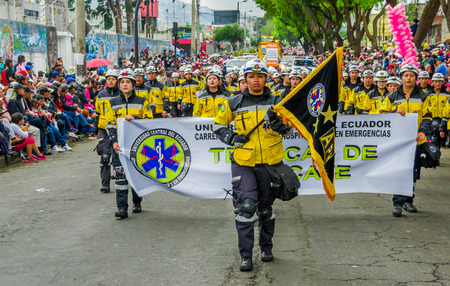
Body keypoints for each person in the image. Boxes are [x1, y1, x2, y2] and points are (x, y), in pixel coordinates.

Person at [213, 59, 292, 271]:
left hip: (270, 163)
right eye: (251, 76)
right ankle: (246, 255)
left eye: (259, 76)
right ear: (244, 79)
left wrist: (280, 125)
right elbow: (218, 125)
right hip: (243, 162)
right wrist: (231, 138)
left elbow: (289, 128)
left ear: (265, 78)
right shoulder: (234, 101)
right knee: (247, 208)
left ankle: (266, 247)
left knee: (265, 210)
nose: (255, 80)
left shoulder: (278, 100)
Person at [379, 64, 432, 217]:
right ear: (401, 77)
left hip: (415, 141)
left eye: (412, 75)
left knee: (412, 171)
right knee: (399, 170)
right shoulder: (392, 96)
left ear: (416, 78)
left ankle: (409, 200)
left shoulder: (424, 96)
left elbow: (428, 117)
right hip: (397, 141)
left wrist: (423, 131)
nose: (409, 78)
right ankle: (397, 203)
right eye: (406, 75)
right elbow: (381, 115)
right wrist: (394, 111)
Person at [105, 69, 153, 219]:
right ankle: (122, 207)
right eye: (122, 82)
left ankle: (137, 201)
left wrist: (135, 120)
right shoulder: (112, 102)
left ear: (133, 84)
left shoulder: (142, 101)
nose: (125, 85)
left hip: (138, 145)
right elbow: (110, 124)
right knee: (120, 176)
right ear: (119, 85)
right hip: (119, 145)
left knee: (136, 174)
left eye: (128, 82)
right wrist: (113, 141)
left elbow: (150, 121)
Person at [94, 69, 120, 193]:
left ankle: (120, 180)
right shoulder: (101, 95)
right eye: (109, 79)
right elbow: (97, 112)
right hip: (103, 128)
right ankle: (105, 183)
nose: (110, 81)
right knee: (104, 156)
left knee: (118, 155)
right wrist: (95, 128)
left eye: (113, 79)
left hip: (117, 127)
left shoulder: (121, 95)